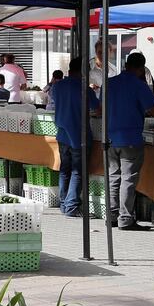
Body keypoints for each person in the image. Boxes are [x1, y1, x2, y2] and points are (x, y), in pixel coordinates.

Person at [106, 52, 154, 230]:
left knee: (113, 177)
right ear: (141, 69)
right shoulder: (139, 85)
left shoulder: (109, 83)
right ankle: (125, 219)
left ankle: (111, 216)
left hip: (110, 137)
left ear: (126, 65)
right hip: (131, 138)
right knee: (128, 179)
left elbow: (100, 108)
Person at [51, 57, 100, 218]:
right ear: (83, 71)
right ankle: (72, 206)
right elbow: (98, 110)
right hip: (79, 135)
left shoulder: (57, 87)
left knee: (65, 170)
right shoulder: (85, 89)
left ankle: (65, 204)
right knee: (78, 171)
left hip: (62, 134)